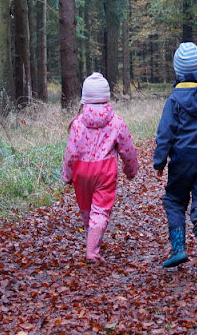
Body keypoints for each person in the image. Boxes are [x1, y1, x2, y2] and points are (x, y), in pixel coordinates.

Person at [153, 42, 197, 275]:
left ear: (178, 71)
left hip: (181, 159)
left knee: (174, 200)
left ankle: (179, 248)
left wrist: (160, 161)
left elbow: (165, 133)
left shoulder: (175, 99)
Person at [62, 72, 139, 263]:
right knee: (100, 211)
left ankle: (92, 241)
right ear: (106, 96)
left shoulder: (77, 123)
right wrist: (131, 170)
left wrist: (67, 174)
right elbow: (128, 149)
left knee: (87, 210)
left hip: (81, 170)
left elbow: (71, 152)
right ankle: (92, 250)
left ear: (84, 98)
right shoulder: (116, 122)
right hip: (105, 171)